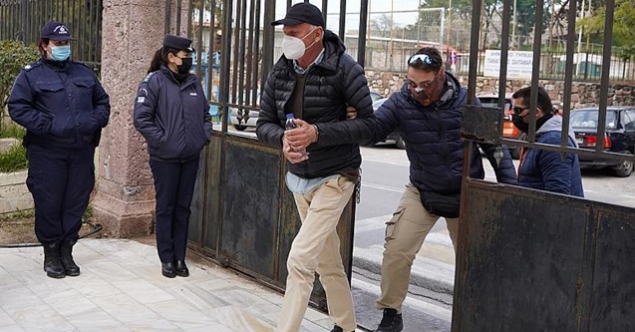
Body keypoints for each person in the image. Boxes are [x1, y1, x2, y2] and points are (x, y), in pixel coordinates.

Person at [365, 48, 518, 332]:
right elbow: (373, 130)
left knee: (475, 260)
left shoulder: (465, 100)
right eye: (412, 83)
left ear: (441, 76)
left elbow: (494, 146)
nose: (417, 90)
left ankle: (476, 316)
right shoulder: (401, 102)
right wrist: (356, 113)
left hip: (466, 193)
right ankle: (391, 314)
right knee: (396, 250)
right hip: (423, 190)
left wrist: (510, 190)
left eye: (425, 84)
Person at [256, 3, 376, 332]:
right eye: (285, 34)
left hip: (337, 176)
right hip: (299, 178)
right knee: (327, 260)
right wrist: (282, 139)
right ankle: (347, 325)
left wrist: (317, 133)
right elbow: (263, 123)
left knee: (300, 260)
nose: (288, 40)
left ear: (316, 34)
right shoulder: (280, 71)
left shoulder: (345, 70)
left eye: (294, 33)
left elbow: (369, 125)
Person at [7, 21, 111, 279]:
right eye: (58, 43)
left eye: (66, 43)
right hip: (47, 152)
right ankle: (51, 252)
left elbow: (102, 101)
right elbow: (18, 107)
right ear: (44, 46)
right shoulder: (31, 75)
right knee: (49, 202)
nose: (64, 48)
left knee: (75, 202)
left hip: (81, 151)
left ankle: (68, 249)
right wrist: (48, 125)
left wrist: (93, 121)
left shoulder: (83, 73)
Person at [133, 35, 213, 278]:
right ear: (171, 57)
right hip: (165, 158)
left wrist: (203, 137)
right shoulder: (153, 82)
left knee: (183, 208)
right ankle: (166, 258)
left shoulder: (193, 82)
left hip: (190, 156)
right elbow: (142, 119)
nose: (189, 60)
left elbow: (205, 115)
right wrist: (164, 142)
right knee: (166, 207)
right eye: (186, 55)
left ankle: (180, 256)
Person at [511, 86, 584, 196]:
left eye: (518, 110)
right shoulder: (538, 136)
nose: (514, 115)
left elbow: (557, 197)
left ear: (536, 112)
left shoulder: (553, 143)